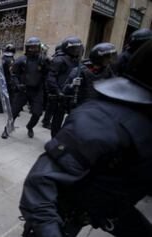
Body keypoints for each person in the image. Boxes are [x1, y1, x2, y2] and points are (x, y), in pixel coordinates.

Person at [19, 39, 152, 237]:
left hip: (110, 202)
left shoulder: (104, 74)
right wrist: (60, 95)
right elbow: (41, 182)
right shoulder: (100, 115)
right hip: (80, 117)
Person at [1, 37, 49, 139]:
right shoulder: (21, 60)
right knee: (14, 112)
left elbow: (47, 74)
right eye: (31, 48)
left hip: (37, 91)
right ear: (27, 48)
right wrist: (18, 85)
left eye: (35, 48)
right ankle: (7, 129)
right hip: (23, 90)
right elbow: (13, 75)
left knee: (37, 113)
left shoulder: (43, 60)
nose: (33, 50)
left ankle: (30, 126)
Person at [46, 36, 83, 137]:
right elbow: (51, 78)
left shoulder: (78, 62)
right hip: (61, 95)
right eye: (75, 49)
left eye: (78, 49)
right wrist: (58, 91)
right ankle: (54, 138)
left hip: (72, 93)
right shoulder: (59, 60)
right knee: (57, 119)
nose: (77, 51)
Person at [63, 42, 117, 107]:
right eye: (107, 58)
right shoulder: (79, 71)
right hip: (81, 107)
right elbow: (65, 90)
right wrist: (72, 85)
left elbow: (114, 84)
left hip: (98, 106)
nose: (110, 60)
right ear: (99, 58)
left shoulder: (107, 70)